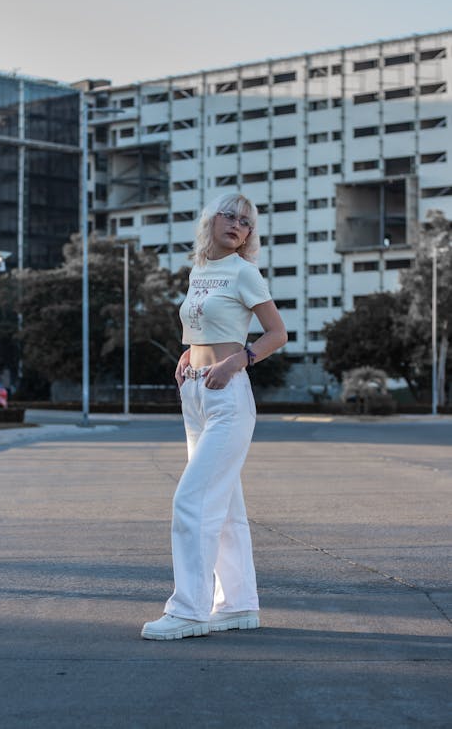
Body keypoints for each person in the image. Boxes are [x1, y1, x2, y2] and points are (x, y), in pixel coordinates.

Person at [141, 192, 287, 640]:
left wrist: (237, 361)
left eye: (245, 222)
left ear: (248, 236)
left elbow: (276, 333)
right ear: (211, 221)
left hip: (228, 396)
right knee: (222, 509)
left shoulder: (245, 272)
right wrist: (190, 352)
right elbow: (205, 323)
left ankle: (188, 610)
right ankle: (239, 605)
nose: (237, 225)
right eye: (229, 215)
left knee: (192, 501)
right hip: (197, 393)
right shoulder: (200, 271)